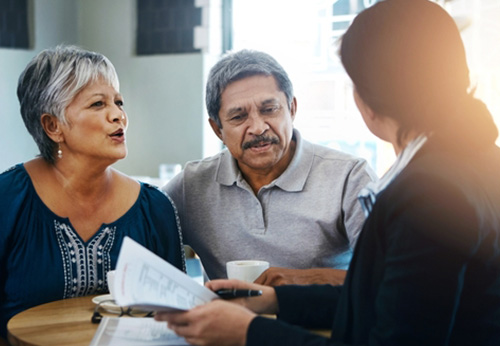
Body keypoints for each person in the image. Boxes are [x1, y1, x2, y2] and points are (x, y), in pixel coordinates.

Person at [155, 0, 500, 345]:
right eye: (238, 116)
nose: (257, 127)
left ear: (370, 98)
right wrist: (273, 300)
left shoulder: (430, 194)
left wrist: (247, 332)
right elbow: (385, 301)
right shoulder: (475, 160)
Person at [0, 45, 186, 341]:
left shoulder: (155, 209)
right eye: (98, 104)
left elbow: (178, 321)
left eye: (119, 102)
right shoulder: (7, 200)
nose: (118, 116)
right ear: (53, 126)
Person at [162, 49, 376, 286]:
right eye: (238, 117)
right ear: (217, 130)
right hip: (227, 322)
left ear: (292, 109)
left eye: (269, 109)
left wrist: (304, 279)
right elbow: (134, 232)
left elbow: (386, 278)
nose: (258, 127)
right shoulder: (191, 185)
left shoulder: (350, 177)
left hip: (322, 323)